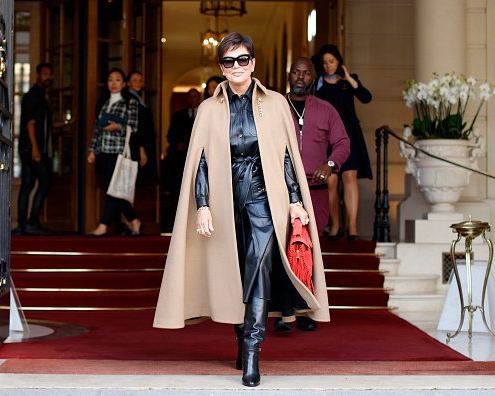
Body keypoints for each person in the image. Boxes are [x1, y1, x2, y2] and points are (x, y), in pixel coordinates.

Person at [154, 32, 330, 387]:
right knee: (234, 272)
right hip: (223, 198)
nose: (237, 67)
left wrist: (295, 201)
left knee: (259, 268)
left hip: (264, 198)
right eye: (229, 61)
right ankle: (240, 338)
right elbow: (200, 162)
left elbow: (285, 159)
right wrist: (202, 205)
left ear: (253, 63)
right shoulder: (208, 109)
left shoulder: (276, 103)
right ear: (221, 67)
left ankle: (252, 350)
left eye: (243, 59)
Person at [274, 57, 350, 333]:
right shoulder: (275, 107)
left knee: (309, 251)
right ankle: (285, 314)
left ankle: (306, 311)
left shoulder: (326, 109)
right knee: (283, 249)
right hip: (281, 191)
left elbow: (343, 142)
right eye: (296, 71)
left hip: (315, 193)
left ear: (313, 77)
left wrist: (330, 165)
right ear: (289, 74)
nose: (300, 77)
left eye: (306, 73)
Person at [312, 44, 373, 241]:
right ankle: (336, 225)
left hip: (350, 136)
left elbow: (366, 97)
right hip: (327, 139)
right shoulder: (318, 84)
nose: (329, 66)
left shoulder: (348, 82)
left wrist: (349, 79)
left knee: (350, 178)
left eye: (332, 61)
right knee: (331, 181)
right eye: (325, 63)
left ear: (339, 62)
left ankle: (352, 227)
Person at [13, 63, 72, 236]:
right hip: (32, 149)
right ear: (38, 75)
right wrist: (35, 149)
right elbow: (30, 123)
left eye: (50, 74)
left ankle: (23, 226)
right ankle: (31, 223)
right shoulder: (33, 96)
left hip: (30, 149)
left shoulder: (40, 96)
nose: (48, 77)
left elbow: (45, 125)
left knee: (27, 185)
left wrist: (67, 123)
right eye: (45, 74)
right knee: (45, 182)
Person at [86, 68, 142, 237]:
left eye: (118, 80)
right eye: (110, 80)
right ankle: (134, 220)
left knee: (112, 189)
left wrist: (118, 127)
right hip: (104, 151)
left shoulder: (129, 101)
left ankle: (103, 226)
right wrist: (92, 151)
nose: (114, 83)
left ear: (124, 83)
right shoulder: (104, 102)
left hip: (119, 151)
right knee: (113, 189)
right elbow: (98, 129)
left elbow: (134, 126)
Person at [161, 88, 202, 231]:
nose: (192, 99)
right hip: (179, 160)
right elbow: (170, 135)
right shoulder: (178, 115)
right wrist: (178, 144)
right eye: (190, 97)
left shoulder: (204, 114)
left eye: (195, 97)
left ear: (200, 98)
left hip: (200, 159)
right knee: (179, 192)